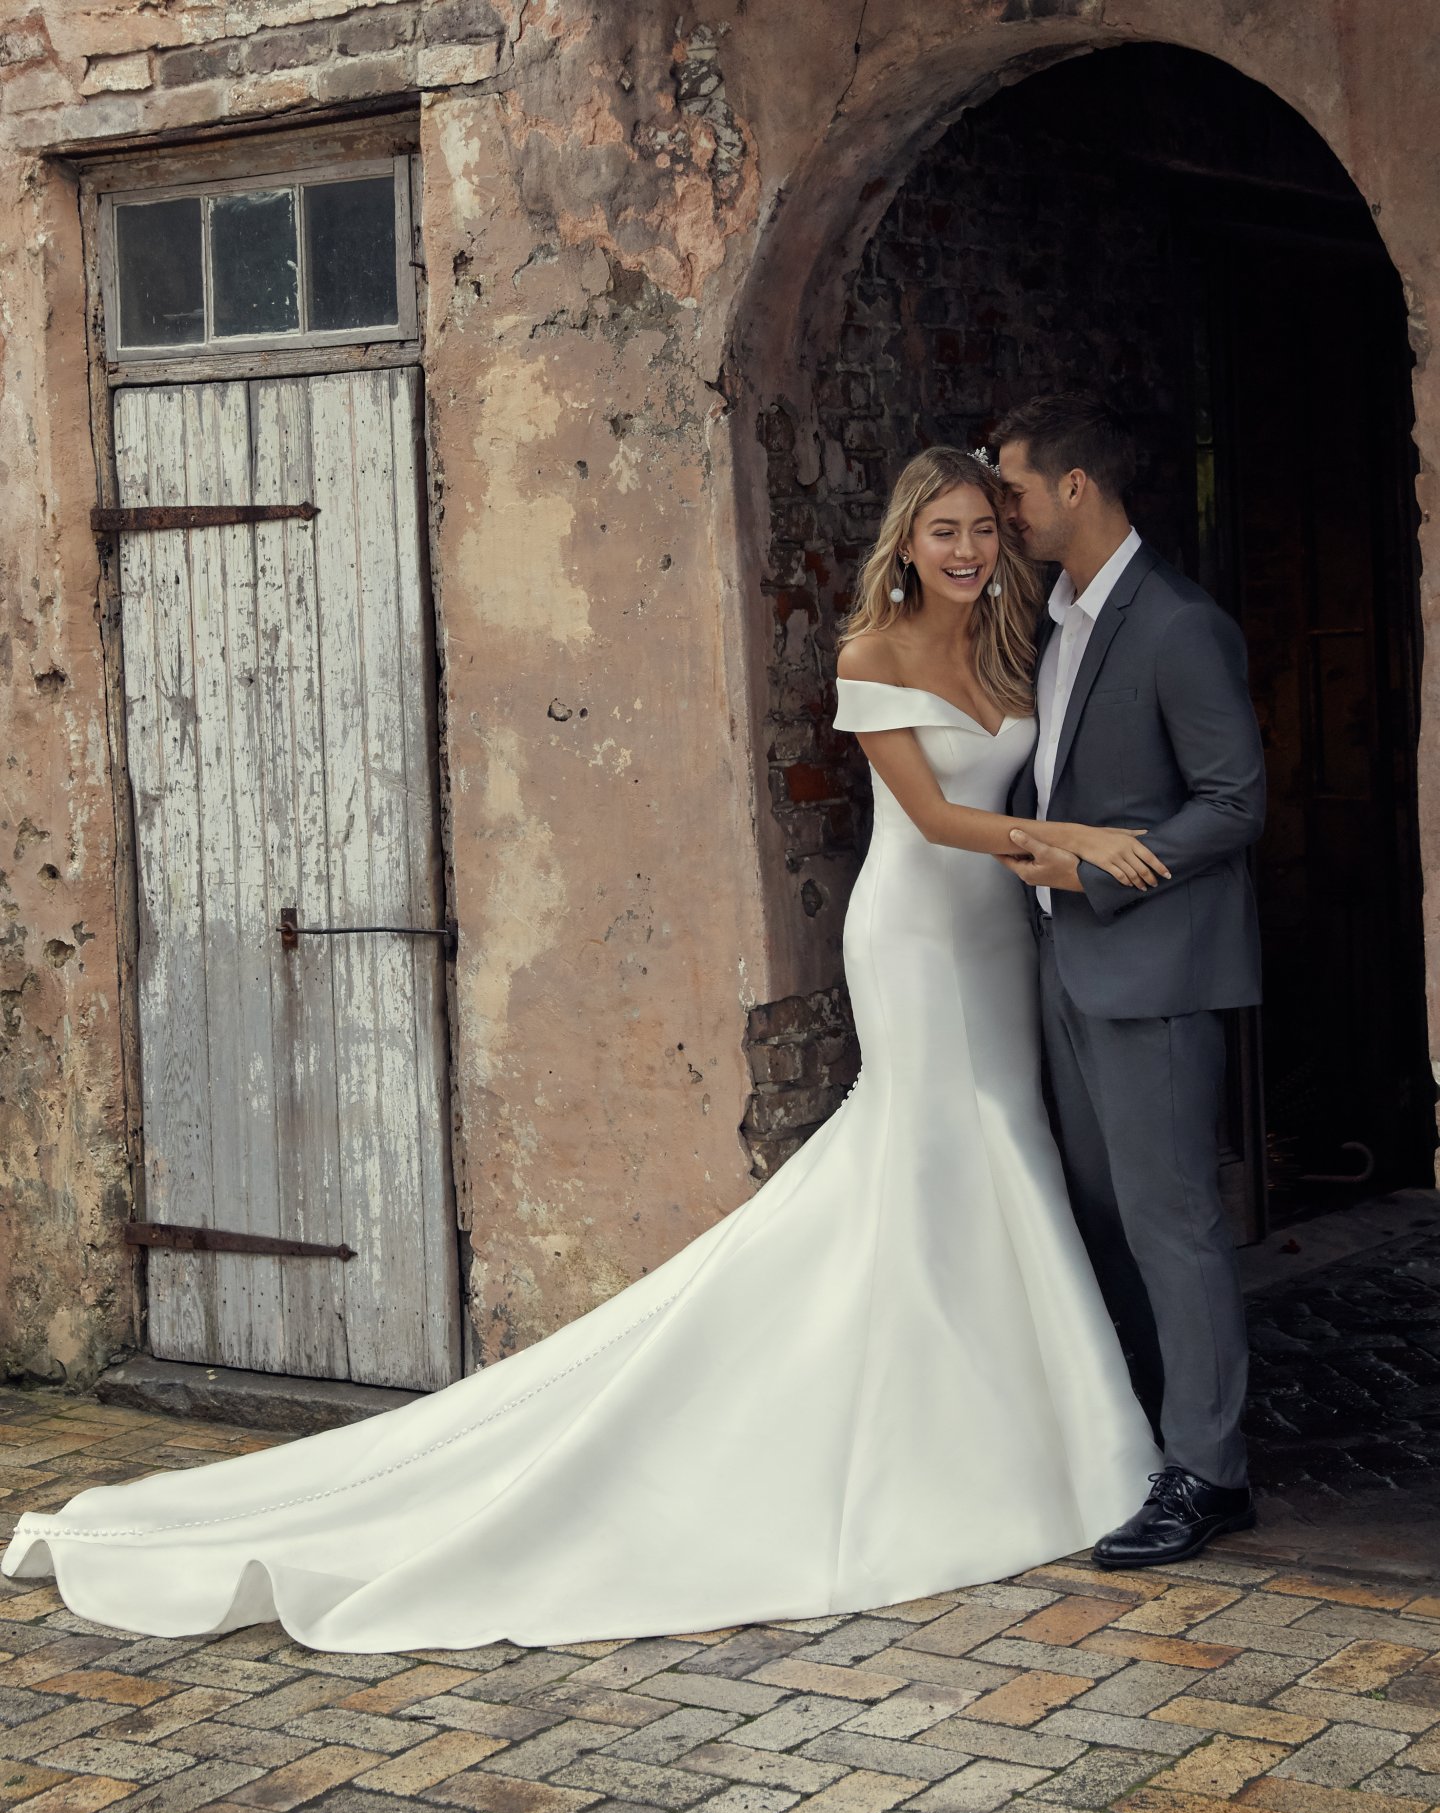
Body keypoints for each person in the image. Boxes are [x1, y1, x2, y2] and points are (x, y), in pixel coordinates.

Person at [1, 447, 1160, 1654]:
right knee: (926, 1158)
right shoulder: (871, 657)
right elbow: (935, 820)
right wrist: (1081, 836)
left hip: (999, 947)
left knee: (1002, 1153)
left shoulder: (1012, 649)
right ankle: (935, 1443)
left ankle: (1017, 1428)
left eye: (982, 528)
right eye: (946, 533)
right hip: (917, 943)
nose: (970, 551)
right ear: (906, 545)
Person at [995, 393, 1266, 1568]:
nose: (1001, 508)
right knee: (1104, 1216)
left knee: (1175, 1224)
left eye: (1011, 487)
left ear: (1075, 487)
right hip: (1065, 965)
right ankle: (1155, 1440)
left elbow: (1233, 802)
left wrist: (1097, 869)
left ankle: (1211, 1475)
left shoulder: (1179, 624)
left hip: (1151, 966)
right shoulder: (1056, 619)